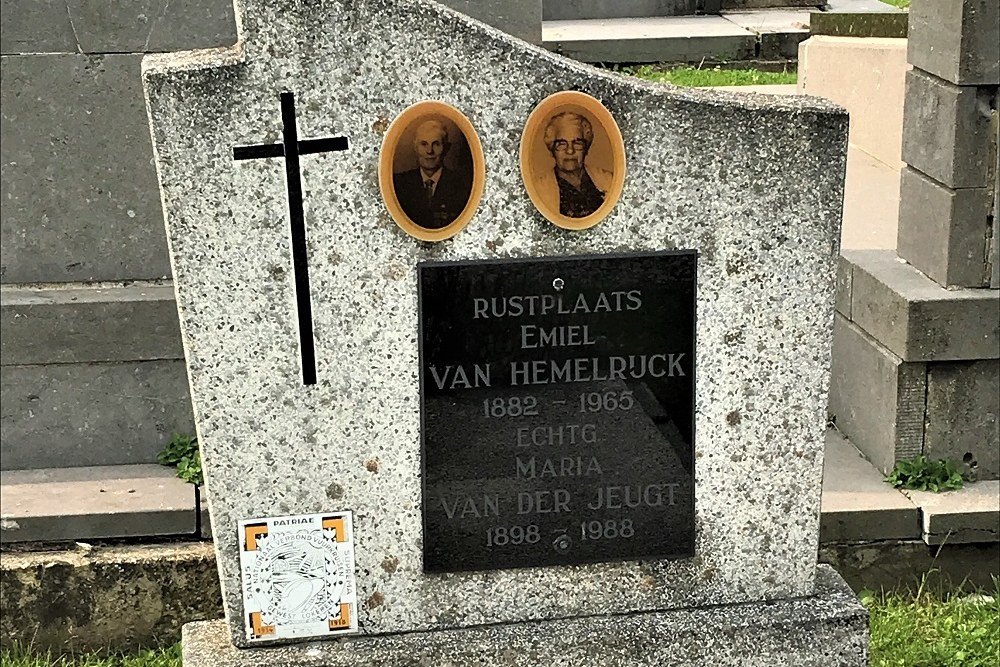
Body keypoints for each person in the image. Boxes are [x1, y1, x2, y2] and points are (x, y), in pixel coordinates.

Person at [393, 119, 472, 229]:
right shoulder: (399, 183)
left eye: (436, 144)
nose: (429, 151)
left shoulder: (463, 185)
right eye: (424, 144)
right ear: (415, 147)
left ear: (446, 148)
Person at [536, 111, 613, 219]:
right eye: (561, 144)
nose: (570, 151)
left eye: (577, 143)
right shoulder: (539, 190)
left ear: (586, 148)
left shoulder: (609, 181)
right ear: (552, 150)